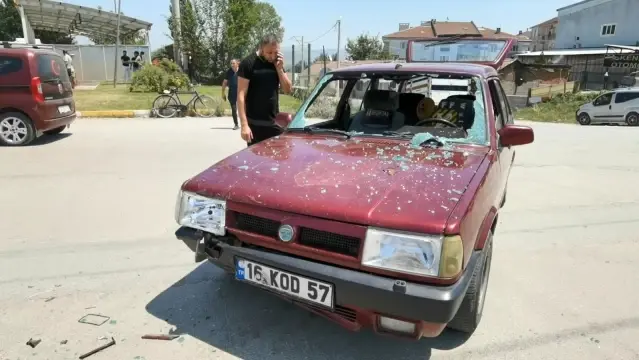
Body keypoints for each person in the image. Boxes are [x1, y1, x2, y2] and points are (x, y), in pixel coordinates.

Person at [237, 34, 292, 146]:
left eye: (275, 52)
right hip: (254, 125)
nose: (272, 56)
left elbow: (288, 89)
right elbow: (240, 95)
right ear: (261, 49)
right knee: (256, 161)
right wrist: (244, 125)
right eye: (269, 53)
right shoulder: (248, 63)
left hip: (273, 123)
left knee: (279, 159)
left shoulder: (277, 63)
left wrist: (279, 69)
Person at [222, 59, 240, 130]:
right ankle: (236, 124)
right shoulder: (229, 71)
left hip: (241, 92)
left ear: (237, 64)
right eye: (231, 63)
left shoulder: (241, 70)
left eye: (233, 63)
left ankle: (247, 124)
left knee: (245, 109)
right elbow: (224, 82)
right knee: (233, 109)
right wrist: (222, 93)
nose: (232, 65)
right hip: (232, 92)